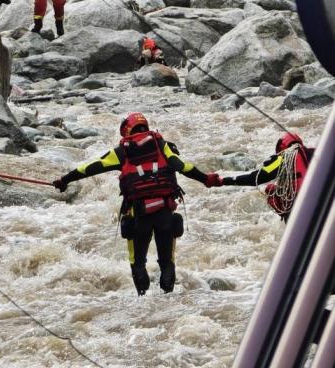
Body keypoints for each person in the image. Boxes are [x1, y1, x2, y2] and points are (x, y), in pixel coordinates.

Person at [52, 112, 222, 295]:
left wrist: (65, 180)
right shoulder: (162, 145)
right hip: (165, 211)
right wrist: (205, 179)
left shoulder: (122, 151)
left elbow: (90, 168)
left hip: (138, 215)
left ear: (126, 130)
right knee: (167, 261)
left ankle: (142, 300)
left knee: (137, 261)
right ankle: (168, 300)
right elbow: (183, 166)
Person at [218, 132, 314, 223]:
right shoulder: (316, 154)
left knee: (271, 190)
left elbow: (255, 178)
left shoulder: (281, 159)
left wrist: (223, 181)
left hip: (297, 210)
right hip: (319, 203)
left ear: (282, 148)